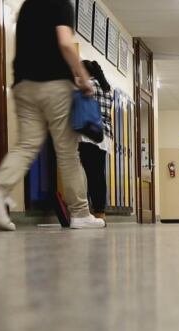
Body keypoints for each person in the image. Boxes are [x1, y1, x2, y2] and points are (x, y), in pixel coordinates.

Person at [0, 0, 104, 230]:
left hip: (24, 84)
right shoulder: (62, 5)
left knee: (26, 144)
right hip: (55, 85)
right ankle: (80, 213)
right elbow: (65, 43)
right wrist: (84, 78)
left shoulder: (28, 6)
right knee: (67, 152)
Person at [78, 60, 112, 220]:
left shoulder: (88, 85)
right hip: (104, 136)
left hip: (89, 135)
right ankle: (100, 210)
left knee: (91, 174)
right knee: (99, 174)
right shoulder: (106, 88)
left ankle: (96, 211)